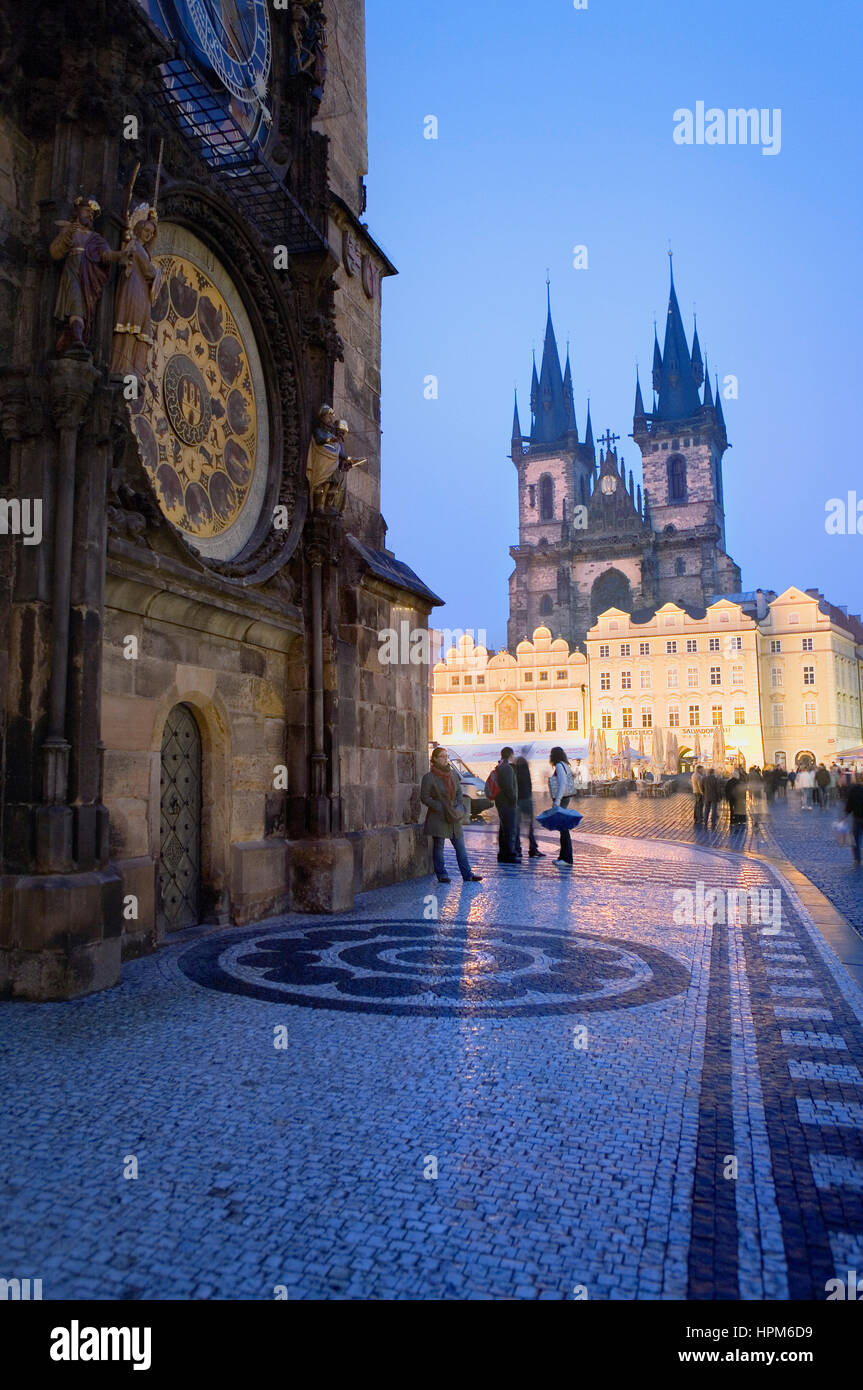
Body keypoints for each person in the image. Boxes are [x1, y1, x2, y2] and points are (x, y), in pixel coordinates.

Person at [420, 748, 482, 884]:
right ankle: (442, 874)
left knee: (460, 846)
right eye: (441, 756)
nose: (445, 759)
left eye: (446, 756)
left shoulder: (453, 774)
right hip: (439, 816)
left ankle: (468, 874)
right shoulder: (429, 777)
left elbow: (459, 792)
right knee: (439, 846)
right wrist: (439, 806)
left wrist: (460, 806)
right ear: (435, 759)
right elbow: (424, 797)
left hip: (453, 815)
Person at [488, 747, 519, 863]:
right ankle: (509, 855)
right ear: (511, 755)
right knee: (509, 829)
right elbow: (508, 786)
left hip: (501, 802)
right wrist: (513, 799)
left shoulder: (501, 766)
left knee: (504, 829)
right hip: (507, 803)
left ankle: (503, 854)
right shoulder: (507, 768)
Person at [548, 746, 576, 868]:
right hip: (566, 797)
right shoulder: (565, 765)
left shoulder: (559, 765)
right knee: (563, 828)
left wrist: (557, 801)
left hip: (562, 799)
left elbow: (563, 782)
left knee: (563, 829)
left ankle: (567, 858)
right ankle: (563, 857)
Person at [513, 750, 543, 858]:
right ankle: (533, 849)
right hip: (526, 800)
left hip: (518, 801)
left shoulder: (515, 771)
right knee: (530, 826)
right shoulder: (526, 770)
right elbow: (529, 786)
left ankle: (517, 849)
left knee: (517, 827)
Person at [846, 780, 863, 866]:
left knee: (856, 838)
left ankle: (857, 858)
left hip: (858, 817)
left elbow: (849, 803)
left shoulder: (854, 789)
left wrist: (846, 813)